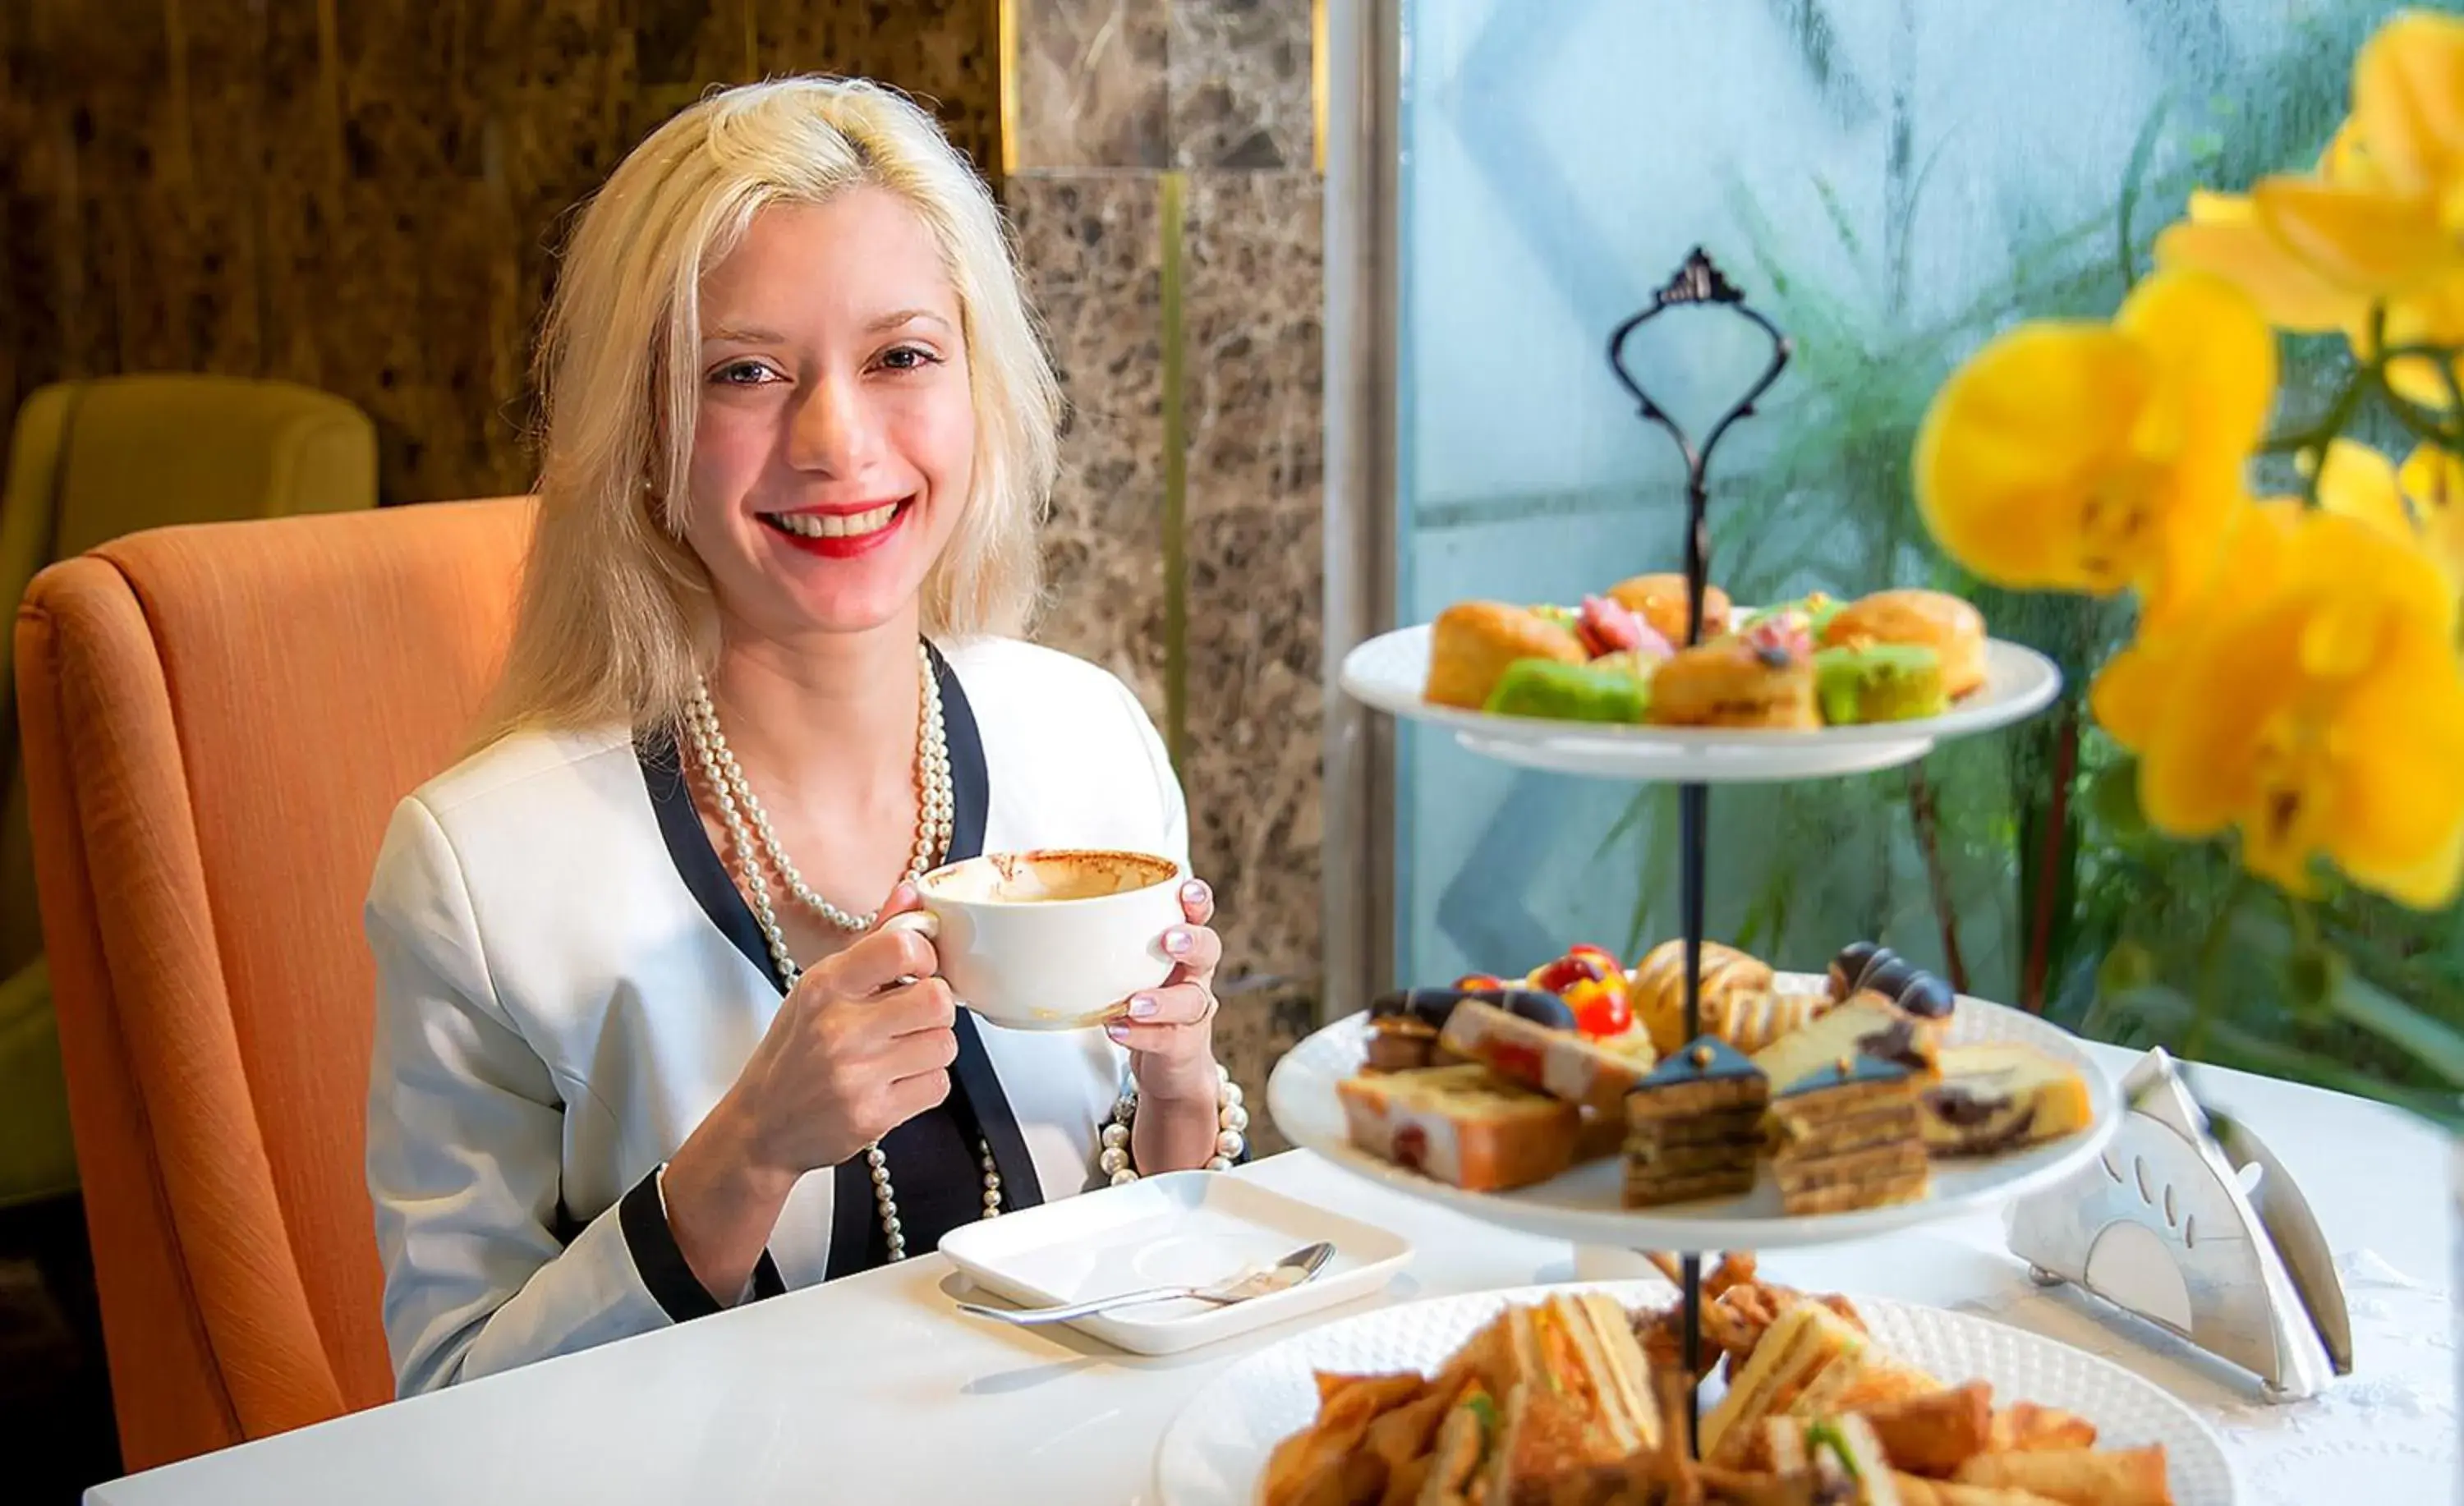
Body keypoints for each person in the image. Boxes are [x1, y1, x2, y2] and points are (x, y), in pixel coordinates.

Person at [362, 76, 1243, 1398]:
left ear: (979, 393)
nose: (837, 440)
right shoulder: (478, 873)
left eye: (901, 357)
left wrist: (1179, 1089)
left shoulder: (1088, 739)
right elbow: (446, 1405)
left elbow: (1167, 1295)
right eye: (747, 373)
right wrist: (750, 1150)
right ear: (645, 435)